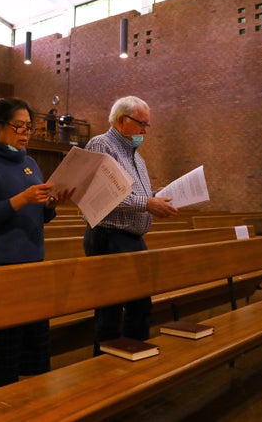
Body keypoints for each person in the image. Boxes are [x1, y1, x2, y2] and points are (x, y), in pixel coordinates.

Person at [0, 97, 72, 389]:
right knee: (0, 357)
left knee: (33, 356)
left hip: (32, 265)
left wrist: (50, 204)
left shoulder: (30, 163)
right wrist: (22, 199)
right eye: (18, 126)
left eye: (29, 127)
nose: (25, 132)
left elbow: (39, 216)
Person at [83, 95, 178, 356]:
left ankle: (135, 361)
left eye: (147, 125)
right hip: (108, 235)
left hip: (132, 238)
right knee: (110, 310)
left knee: (140, 305)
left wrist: (157, 197)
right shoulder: (101, 145)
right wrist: (146, 204)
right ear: (122, 120)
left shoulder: (137, 158)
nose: (145, 131)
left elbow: (135, 194)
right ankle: (104, 370)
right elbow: (102, 194)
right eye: (141, 124)